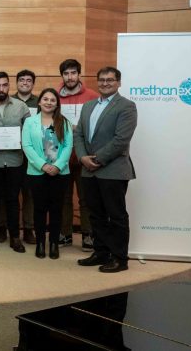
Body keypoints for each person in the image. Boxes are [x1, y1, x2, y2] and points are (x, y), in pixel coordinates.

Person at [75, 67, 137, 273]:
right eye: (101, 80)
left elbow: (121, 140)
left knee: (116, 215)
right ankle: (101, 252)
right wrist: (83, 157)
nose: (105, 83)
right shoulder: (88, 106)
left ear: (118, 82)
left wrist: (98, 160)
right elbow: (78, 135)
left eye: (110, 80)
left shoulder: (127, 106)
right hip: (89, 171)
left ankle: (120, 258)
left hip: (113, 170)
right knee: (96, 215)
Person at [0, 72, 30, 253]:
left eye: (4, 85)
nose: (1, 89)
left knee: (12, 199)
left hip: (15, 159)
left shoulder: (21, 106)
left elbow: (29, 130)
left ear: (9, 86)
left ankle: (15, 237)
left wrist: (23, 141)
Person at [21, 88, 72, 259]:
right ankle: (41, 243)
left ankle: (54, 244)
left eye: (52, 100)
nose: (49, 102)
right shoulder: (30, 122)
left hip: (60, 172)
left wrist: (57, 166)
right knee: (40, 209)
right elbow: (26, 146)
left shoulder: (63, 122)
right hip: (37, 172)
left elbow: (67, 147)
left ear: (57, 104)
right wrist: (43, 165)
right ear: (39, 102)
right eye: (45, 99)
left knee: (57, 209)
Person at [57, 59, 99, 250]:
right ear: (62, 76)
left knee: (86, 199)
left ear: (79, 74)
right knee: (63, 198)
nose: (70, 77)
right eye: (66, 73)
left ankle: (88, 235)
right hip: (61, 157)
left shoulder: (92, 96)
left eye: (73, 73)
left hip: (84, 156)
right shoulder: (55, 96)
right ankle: (64, 234)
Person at [13, 69, 39, 245]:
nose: (24, 83)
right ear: (16, 83)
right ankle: (5, 227)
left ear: (33, 83)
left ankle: (29, 228)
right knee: (9, 193)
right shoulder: (9, 101)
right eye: (21, 80)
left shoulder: (40, 102)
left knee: (30, 194)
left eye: (28, 80)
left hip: (33, 155)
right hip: (11, 153)